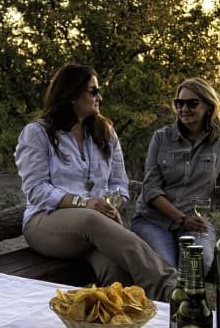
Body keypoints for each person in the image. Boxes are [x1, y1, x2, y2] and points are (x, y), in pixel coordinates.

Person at [15, 64, 177, 301]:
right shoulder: (37, 133)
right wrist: (86, 203)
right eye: (93, 91)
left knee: (116, 273)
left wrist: (111, 205)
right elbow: (36, 190)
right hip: (46, 222)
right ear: (71, 95)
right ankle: (171, 288)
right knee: (91, 219)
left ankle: (137, 324)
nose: (99, 97)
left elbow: (119, 183)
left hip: (96, 228)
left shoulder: (105, 131)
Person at [131, 77, 220, 272]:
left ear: (208, 106)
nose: (184, 108)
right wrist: (181, 218)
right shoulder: (161, 137)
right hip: (153, 220)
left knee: (198, 264)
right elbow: (150, 188)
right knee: (165, 269)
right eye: (179, 103)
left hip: (196, 223)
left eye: (192, 103)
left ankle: (191, 303)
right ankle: (173, 303)